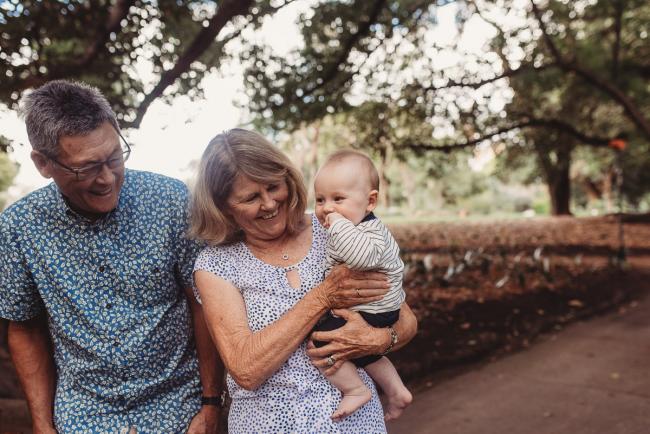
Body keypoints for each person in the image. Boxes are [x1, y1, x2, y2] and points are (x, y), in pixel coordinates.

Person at [0, 80, 224, 433]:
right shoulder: (19, 228)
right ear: (43, 164)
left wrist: (212, 402)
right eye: (86, 168)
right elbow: (24, 329)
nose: (107, 179)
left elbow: (202, 300)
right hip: (84, 415)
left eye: (114, 158)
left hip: (179, 406)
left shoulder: (169, 199)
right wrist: (43, 425)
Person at [191, 128, 418, 433]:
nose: (269, 204)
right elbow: (246, 369)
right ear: (223, 207)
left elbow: (404, 318)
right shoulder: (216, 265)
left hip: (357, 425)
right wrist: (323, 296)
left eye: (273, 187)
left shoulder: (334, 227)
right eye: (250, 198)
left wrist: (379, 339)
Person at [312, 149, 413, 421]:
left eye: (338, 199)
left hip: (377, 309)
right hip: (374, 308)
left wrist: (336, 223)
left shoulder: (369, 232)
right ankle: (396, 390)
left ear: (370, 202)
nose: (327, 208)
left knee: (322, 342)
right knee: (364, 353)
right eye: (320, 200)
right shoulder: (353, 227)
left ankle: (355, 389)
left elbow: (359, 258)